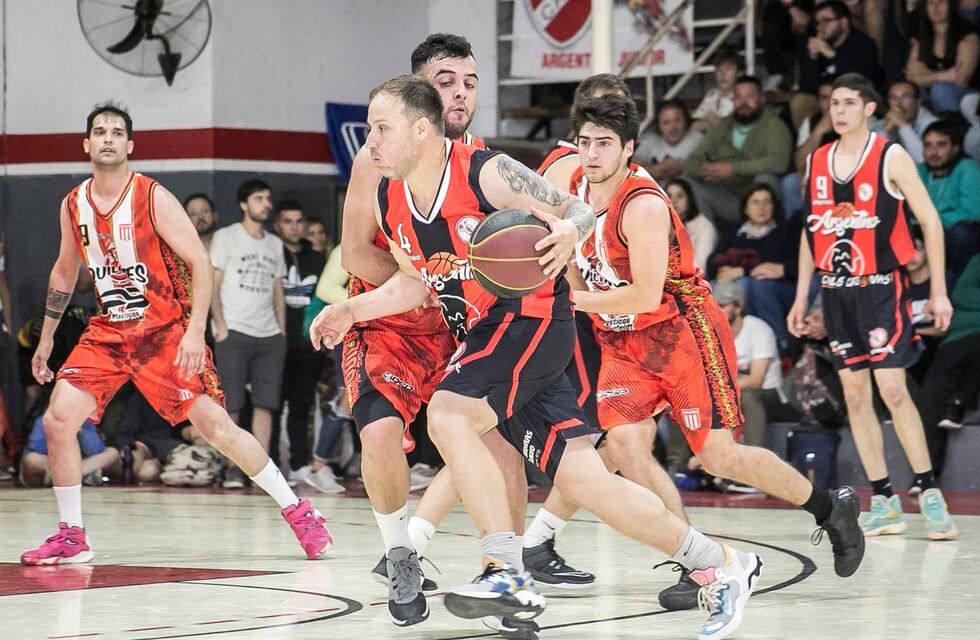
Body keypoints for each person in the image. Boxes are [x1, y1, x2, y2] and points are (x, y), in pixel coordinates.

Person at [312, 75, 765, 640]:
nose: (371, 142)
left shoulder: (486, 172)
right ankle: (722, 563)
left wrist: (571, 232)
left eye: (382, 128)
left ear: (422, 130)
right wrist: (352, 309)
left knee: (449, 415)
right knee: (584, 479)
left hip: (532, 319)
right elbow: (417, 282)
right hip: (490, 333)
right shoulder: (390, 198)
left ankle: (504, 571)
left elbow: (574, 205)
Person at [556, 94, 862, 582]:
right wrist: (566, 284)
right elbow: (574, 262)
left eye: (604, 143)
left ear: (629, 148)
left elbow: (644, 295)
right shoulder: (573, 187)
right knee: (627, 447)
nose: (591, 153)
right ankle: (697, 563)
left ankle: (830, 508)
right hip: (621, 338)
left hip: (682, 332)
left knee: (718, 456)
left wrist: (568, 302)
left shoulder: (642, 205)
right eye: (585, 141)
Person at [20, 102, 331, 565]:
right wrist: (46, 336)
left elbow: (200, 261)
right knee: (58, 419)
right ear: (86, 144)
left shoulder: (151, 196)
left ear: (130, 144)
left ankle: (299, 511)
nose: (108, 138)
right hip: (110, 332)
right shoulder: (74, 204)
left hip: (163, 331)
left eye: (117, 132)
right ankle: (72, 535)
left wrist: (194, 331)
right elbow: (65, 272)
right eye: (100, 132)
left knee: (216, 428)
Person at [337, 34, 535, 632]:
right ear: (418, 98)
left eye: (470, 83)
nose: (460, 94)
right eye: (446, 82)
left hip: (463, 323)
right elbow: (355, 253)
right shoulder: (377, 160)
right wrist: (425, 285)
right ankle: (401, 552)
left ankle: (507, 580)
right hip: (389, 318)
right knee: (380, 433)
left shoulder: (484, 165)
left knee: (501, 450)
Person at [787, 73, 958, 540]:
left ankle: (929, 492)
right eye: (833, 103)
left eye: (848, 102)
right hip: (836, 291)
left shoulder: (890, 155)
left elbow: (930, 221)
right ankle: (884, 500)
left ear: (868, 108)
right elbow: (811, 232)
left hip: (881, 287)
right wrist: (802, 296)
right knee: (856, 396)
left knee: (893, 390)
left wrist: (938, 290)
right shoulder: (817, 160)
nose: (839, 110)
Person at [209, 179, 288, 488]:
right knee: (233, 405)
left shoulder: (274, 244)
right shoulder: (226, 237)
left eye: (267, 198)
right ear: (244, 204)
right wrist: (221, 328)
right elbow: (213, 285)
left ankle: (263, 473)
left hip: (269, 335)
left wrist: (281, 331)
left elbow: (277, 290)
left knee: (266, 404)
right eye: (258, 199)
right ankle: (233, 468)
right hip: (235, 330)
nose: (265, 204)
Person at [683, 76, 793, 224]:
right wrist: (709, 171)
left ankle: (764, 234)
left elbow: (778, 163)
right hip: (729, 199)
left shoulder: (774, 125)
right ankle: (707, 235)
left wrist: (732, 168)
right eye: (738, 97)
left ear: (762, 99)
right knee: (687, 182)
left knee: (765, 179)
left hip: (759, 197)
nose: (743, 102)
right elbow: (692, 162)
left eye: (750, 97)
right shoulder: (722, 126)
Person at [271, 200, 326, 486]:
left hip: (308, 345)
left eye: (298, 221)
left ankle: (299, 464)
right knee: (271, 406)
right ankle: (271, 466)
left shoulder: (317, 259)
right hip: (276, 343)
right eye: (287, 221)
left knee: (301, 406)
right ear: (277, 225)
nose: (294, 227)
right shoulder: (270, 253)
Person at [708, 184, 800, 343]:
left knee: (750, 285)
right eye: (755, 202)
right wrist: (724, 269)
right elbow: (712, 263)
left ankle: (778, 341)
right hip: (734, 283)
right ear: (746, 208)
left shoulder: (785, 231)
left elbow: (771, 264)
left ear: (773, 207)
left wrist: (742, 271)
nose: (761, 207)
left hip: (778, 287)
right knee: (711, 288)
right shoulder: (733, 231)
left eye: (766, 202)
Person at [917, 119, 980, 278]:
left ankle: (957, 285)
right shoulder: (920, 171)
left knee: (962, 233)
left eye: (941, 144)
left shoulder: (967, 168)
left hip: (955, 234)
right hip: (927, 231)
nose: (933, 152)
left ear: (955, 148)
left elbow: (973, 213)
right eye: (928, 145)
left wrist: (932, 221)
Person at [905, 0, 980, 113]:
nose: (936, 8)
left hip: (968, 95)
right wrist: (943, 76)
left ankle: (951, 123)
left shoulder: (968, 35)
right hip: (933, 91)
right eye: (931, 3)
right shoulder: (922, 34)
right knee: (914, 90)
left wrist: (925, 76)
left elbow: (961, 79)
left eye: (941, 2)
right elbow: (911, 75)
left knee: (939, 89)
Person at [783, 79, 840, 219]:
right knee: (790, 183)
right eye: (824, 98)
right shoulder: (811, 122)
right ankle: (798, 225)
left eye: (835, 98)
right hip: (816, 176)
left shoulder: (858, 120)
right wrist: (818, 132)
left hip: (848, 177)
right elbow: (799, 164)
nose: (830, 104)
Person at [799, 0, 884, 93]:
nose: (820, 27)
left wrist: (833, 55)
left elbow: (863, 81)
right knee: (801, 99)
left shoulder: (864, 44)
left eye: (826, 21)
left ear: (844, 23)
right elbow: (807, 87)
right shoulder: (816, 43)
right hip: (824, 97)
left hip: (854, 96)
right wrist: (813, 59)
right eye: (817, 23)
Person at [634, 100, 702, 181]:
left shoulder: (696, 140)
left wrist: (644, 167)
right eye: (666, 123)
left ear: (686, 121)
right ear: (659, 126)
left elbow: (665, 170)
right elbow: (632, 166)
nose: (672, 127)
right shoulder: (652, 139)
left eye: (677, 121)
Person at [872, 80, 938, 163]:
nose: (898, 104)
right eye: (893, 98)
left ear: (918, 102)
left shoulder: (932, 123)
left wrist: (903, 126)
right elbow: (872, 158)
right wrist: (886, 130)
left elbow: (925, 160)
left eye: (905, 97)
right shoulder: (882, 124)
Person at [691, 49, 741, 131]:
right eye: (719, 69)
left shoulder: (741, 98)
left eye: (728, 69)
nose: (723, 74)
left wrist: (711, 120)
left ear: (739, 73)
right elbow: (696, 120)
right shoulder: (712, 93)